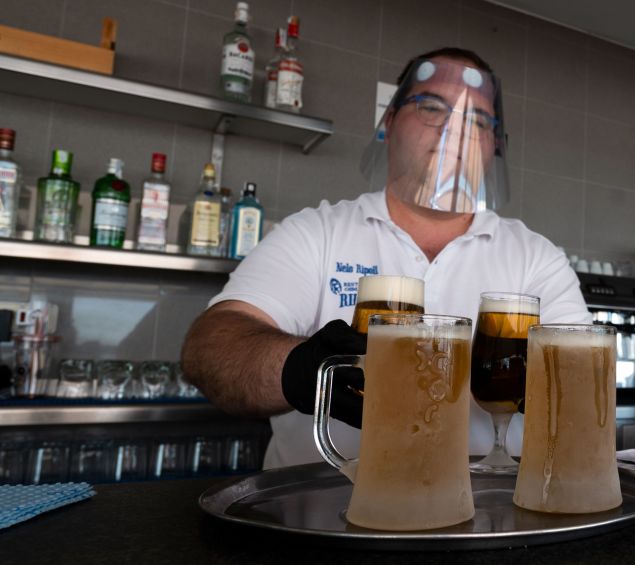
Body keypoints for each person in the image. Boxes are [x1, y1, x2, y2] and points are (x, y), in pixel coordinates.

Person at [181, 47, 591, 469]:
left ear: (494, 147)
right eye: (432, 107)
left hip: (492, 516)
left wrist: (543, 383)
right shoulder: (316, 232)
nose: (456, 130)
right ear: (390, 121)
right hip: (319, 513)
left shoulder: (536, 257)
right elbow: (210, 349)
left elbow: (583, 391)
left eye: (478, 120)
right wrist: (299, 368)